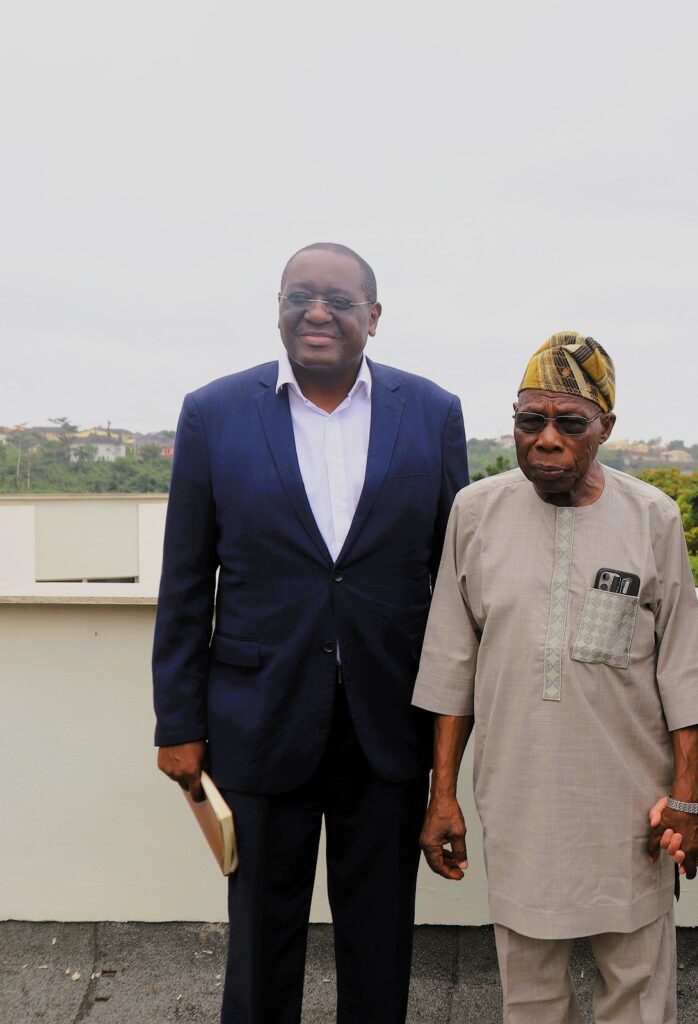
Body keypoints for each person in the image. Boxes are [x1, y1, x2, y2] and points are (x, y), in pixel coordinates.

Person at [152, 242, 468, 1023]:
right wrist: (178, 723)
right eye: (298, 296)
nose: (317, 312)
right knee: (259, 945)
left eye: (337, 299)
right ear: (279, 308)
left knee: (381, 939)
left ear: (374, 316)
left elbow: (454, 584)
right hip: (257, 722)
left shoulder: (432, 412)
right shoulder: (213, 412)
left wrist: (448, 747)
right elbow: (187, 582)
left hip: (388, 725)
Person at [411, 332, 698, 1024]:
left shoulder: (652, 517)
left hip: (633, 807)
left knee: (638, 998)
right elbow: (451, 663)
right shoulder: (475, 513)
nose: (545, 440)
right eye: (529, 421)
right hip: (517, 797)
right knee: (532, 1000)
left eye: (568, 423)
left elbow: (684, 671)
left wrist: (688, 802)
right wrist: (443, 796)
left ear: (605, 427)